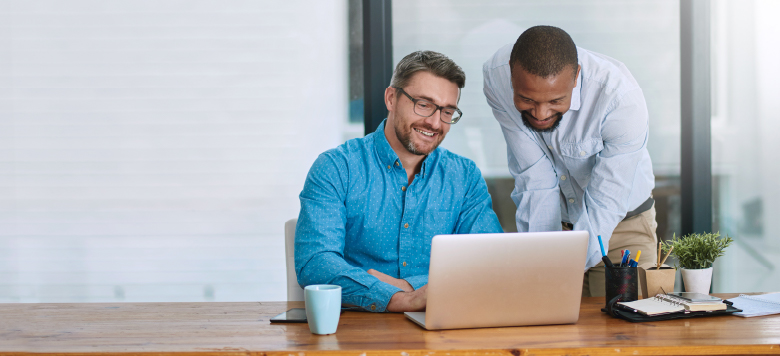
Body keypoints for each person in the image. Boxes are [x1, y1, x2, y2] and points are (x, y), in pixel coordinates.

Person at [296, 50, 503, 312]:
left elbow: (490, 261)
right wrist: (399, 299)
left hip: (442, 328)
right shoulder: (337, 168)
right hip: (356, 330)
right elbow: (315, 263)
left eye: (447, 111)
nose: (435, 122)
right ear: (392, 98)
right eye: (424, 105)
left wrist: (408, 285)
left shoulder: (464, 177)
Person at [482, 26, 658, 297]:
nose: (540, 114)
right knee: (550, 331)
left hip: (623, 228)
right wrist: (545, 259)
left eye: (555, 101)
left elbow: (606, 202)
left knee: (624, 333)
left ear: (576, 77)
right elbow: (535, 177)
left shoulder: (620, 99)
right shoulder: (496, 77)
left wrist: (559, 266)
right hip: (555, 228)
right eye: (527, 100)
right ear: (510, 73)